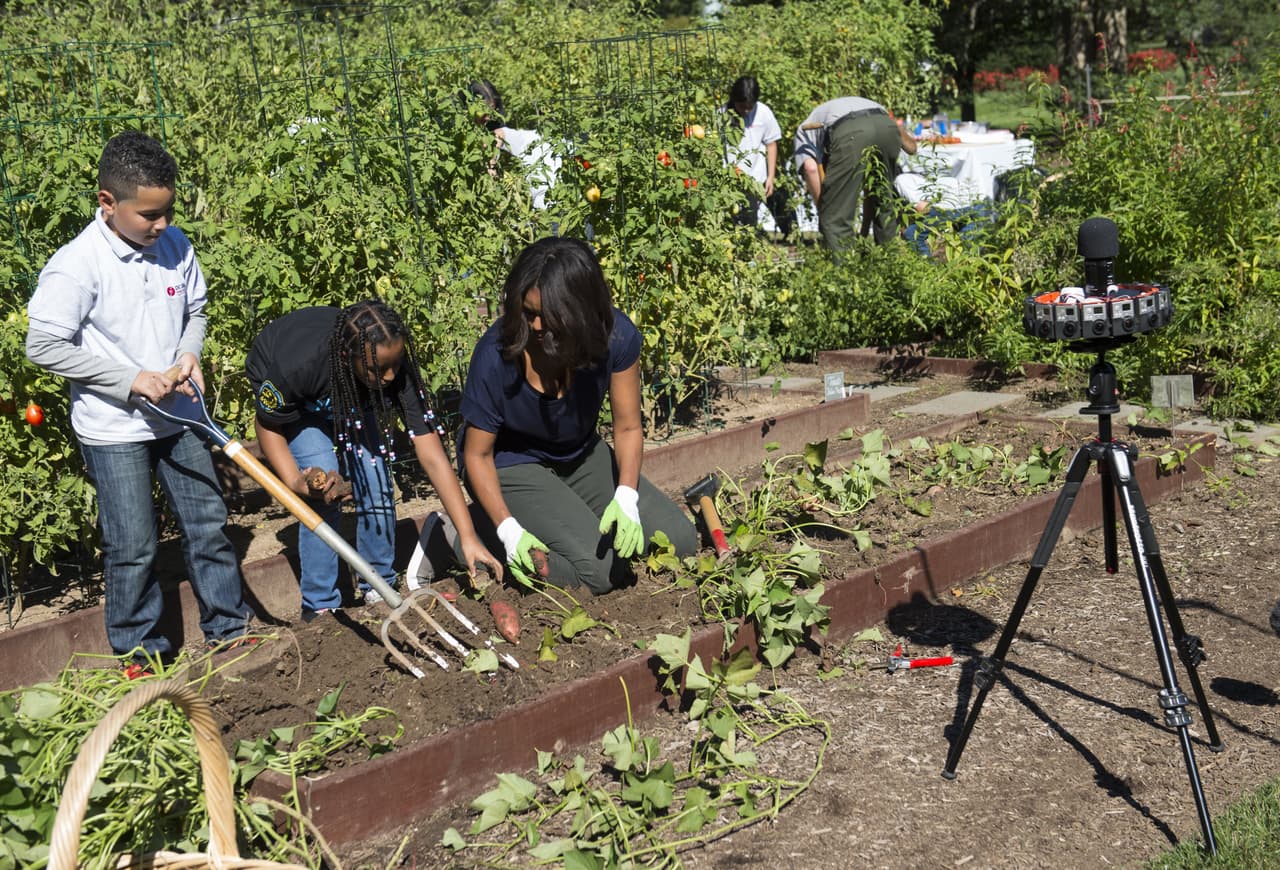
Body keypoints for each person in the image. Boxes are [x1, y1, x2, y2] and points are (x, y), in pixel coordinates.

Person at [25, 130, 254, 667]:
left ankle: (228, 629)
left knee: (207, 523)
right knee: (133, 547)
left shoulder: (174, 246)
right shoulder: (77, 265)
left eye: (168, 211)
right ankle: (139, 651)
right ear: (108, 203)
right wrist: (128, 379)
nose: (163, 225)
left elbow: (195, 311)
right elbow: (43, 344)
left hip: (177, 416)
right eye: (149, 215)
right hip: (114, 429)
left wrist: (188, 354)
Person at [458, 236, 698, 595]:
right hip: (511, 463)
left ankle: (549, 526)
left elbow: (629, 426)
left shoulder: (614, 337)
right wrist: (508, 529)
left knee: (679, 539)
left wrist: (626, 496)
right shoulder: (497, 355)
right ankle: (477, 531)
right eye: (528, 312)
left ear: (579, 311)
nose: (535, 326)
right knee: (599, 573)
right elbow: (476, 455)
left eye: (547, 316)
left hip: (580, 453)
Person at [245, 300, 503, 621]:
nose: (390, 376)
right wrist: (295, 482)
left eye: (395, 364)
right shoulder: (299, 365)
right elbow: (267, 424)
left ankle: (378, 584)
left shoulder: (390, 370)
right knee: (321, 491)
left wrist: (467, 535)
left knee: (376, 479)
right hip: (300, 405)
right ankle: (320, 604)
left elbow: (433, 455)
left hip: (352, 393)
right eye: (380, 369)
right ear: (347, 357)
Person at [792, 96, 903, 250]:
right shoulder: (831, 111)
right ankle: (889, 263)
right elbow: (870, 193)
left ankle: (843, 271)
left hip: (850, 130)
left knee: (834, 219)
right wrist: (863, 233)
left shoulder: (803, 131)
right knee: (884, 202)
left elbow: (810, 169)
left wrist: (825, 211)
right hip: (887, 125)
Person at [465, 79, 562, 211]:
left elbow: (501, 137)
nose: (488, 117)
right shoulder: (458, 129)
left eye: (492, 111)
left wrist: (492, 166)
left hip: (547, 203)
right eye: (484, 112)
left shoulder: (496, 134)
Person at [722, 75, 786, 233]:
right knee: (730, 221)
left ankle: (747, 255)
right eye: (742, 106)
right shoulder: (721, 115)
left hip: (753, 178)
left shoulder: (764, 113)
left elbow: (771, 143)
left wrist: (770, 177)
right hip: (729, 178)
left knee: (749, 221)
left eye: (750, 107)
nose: (746, 110)